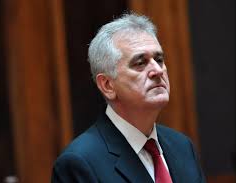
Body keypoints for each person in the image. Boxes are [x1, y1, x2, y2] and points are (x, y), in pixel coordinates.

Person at [52, 13, 206, 183]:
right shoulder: (79, 163)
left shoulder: (182, 147)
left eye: (159, 59)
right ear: (107, 85)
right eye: (140, 63)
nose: (158, 70)